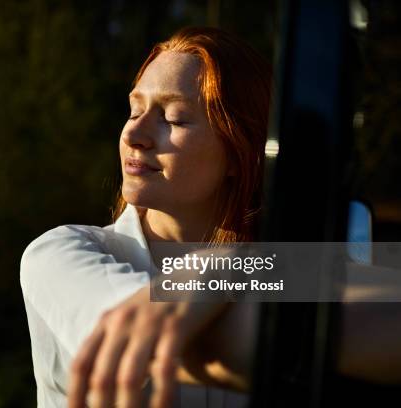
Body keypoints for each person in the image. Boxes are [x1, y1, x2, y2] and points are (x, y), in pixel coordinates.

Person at [20, 26, 270, 407]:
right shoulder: (58, 254)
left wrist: (224, 262)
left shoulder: (276, 268)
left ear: (238, 152)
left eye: (174, 118)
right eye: (135, 110)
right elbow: (136, 337)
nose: (134, 133)